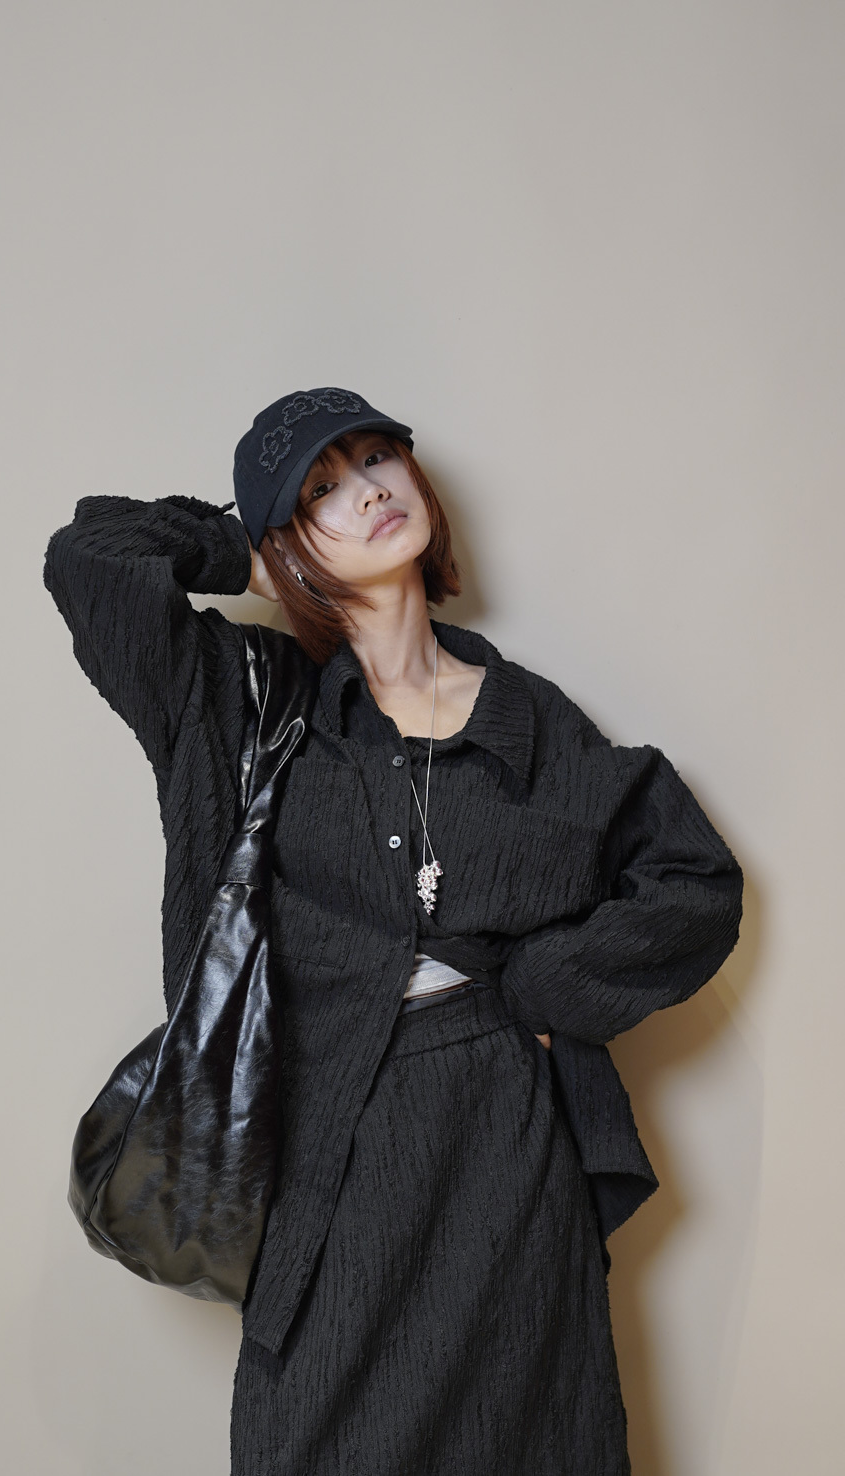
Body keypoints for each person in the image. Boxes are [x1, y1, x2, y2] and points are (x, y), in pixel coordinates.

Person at [43, 386, 744, 1475]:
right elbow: (90, 560)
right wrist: (250, 550)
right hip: (326, 1149)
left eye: (377, 459)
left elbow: (692, 880)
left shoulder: (528, 719)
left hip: (505, 1147)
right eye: (320, 490)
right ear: (287, 537)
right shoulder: (251, 702)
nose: (367, 491)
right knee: (311, 1434)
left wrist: (544, 989)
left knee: (527, 1439)